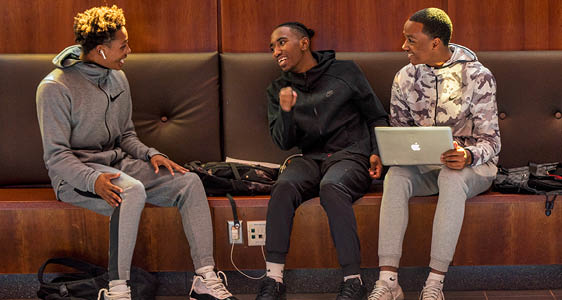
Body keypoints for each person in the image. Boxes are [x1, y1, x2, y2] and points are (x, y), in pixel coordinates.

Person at [35, 5, 237, 300]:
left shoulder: (118, 77)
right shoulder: (54, 87)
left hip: (118, 165)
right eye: (123, 45)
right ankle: (118, 290)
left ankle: (204, 279)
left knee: (189, 182)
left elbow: (126, 136)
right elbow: (56, 156)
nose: (129, 50)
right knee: (132, 191)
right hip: (75, 177)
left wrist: (150, 154)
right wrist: (93, 180)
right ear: (102, 49)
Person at [367, 8, 500, 300]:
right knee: (397, 176)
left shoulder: (478, 76)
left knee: (452, 179)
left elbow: (492, 141)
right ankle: (388, 281)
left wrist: (466, 155)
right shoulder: (404, 77)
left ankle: (435, 284)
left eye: (411, 40)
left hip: (473, 167)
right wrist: (393, 154)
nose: (404, 46)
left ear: (436, 43)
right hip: (425, 166)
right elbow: (399, 134)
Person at [255, 22, 389, 300]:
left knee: (332, 187)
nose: (275, 51)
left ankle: (354, 281)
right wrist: (286, 110)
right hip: (310, 157)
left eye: (281, 42)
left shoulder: (346, 71)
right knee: (283, 186)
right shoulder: (277, 89)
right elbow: (283, 142)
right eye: (272, 48)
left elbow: (376, 115)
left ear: (304, 43)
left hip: (350, 155)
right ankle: (274, 280)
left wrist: (378, 152)